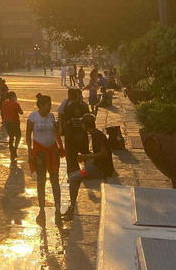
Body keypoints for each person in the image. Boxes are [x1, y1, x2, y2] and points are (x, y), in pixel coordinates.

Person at [63, 113, 114, 221]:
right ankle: (72, 204)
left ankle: (72, 207)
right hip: (97, 166)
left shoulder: (97, 136)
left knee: (73, 177)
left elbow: (103, 153)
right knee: (74, 175)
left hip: (100, 169)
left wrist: (86, 156)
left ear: (85, 125)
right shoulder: (96, 134)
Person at [27, 93, 65, 227]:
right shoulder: (33, 117)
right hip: (40, 152)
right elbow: (28, 134)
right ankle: (42, 209)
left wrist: (60, 146)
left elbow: (55, 132)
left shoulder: (51, 116)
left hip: (52, 150)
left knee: (55, 179)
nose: (49, 107)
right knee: (41, 181)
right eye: (48, 105)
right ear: (41, 105)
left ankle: (58, 208)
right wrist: (29, 152)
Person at [61, 89, 90, 174]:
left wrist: (64, 131)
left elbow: (65, 122)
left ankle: (73, 173)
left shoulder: (67, 109)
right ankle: (85, 172)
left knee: (71, 156)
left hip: (71, 136)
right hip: (83, 134)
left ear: (69, 96)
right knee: (84, 154)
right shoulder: (83, 107)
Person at [2, 91, 24, 162]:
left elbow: (3, 110)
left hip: (7, 122)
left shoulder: (4, 103)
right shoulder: (16, 104)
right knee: (18, 136)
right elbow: (21, 112)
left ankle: (11, 149)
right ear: (12, 97)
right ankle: (15, 148)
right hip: (14, 122)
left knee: (11, 137)